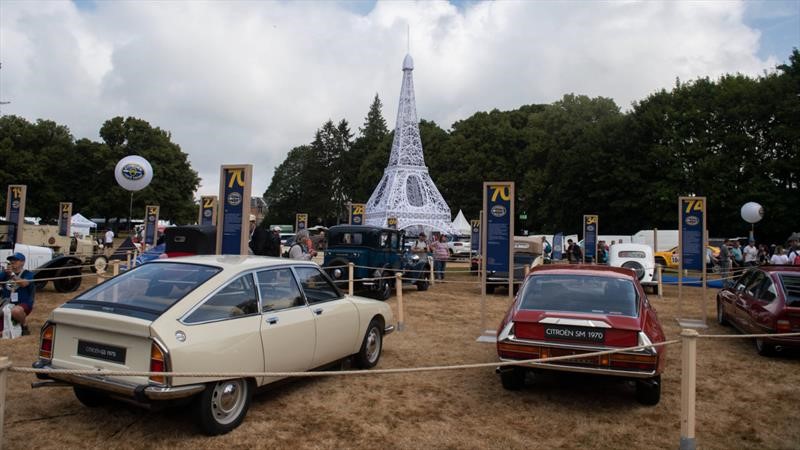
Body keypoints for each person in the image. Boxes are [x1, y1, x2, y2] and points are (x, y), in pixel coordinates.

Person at [0, 253, 35, 336]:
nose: (12, 262)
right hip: (6, 304)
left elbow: (24, 284)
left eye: (15, 260)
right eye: (11, 260)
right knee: (3, 332)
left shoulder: (28, 274)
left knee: (15, 311)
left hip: (23, 304)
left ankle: (24, 326)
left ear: (22, 262)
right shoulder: (5, 273)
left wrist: (12, 275)